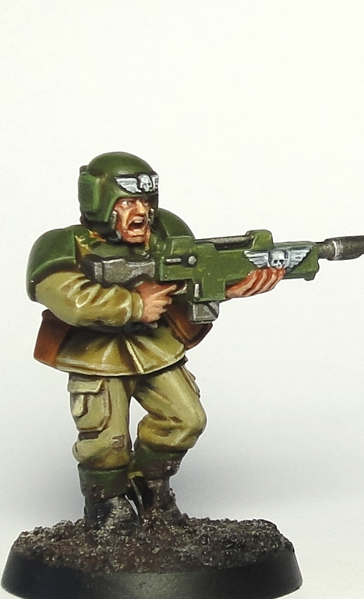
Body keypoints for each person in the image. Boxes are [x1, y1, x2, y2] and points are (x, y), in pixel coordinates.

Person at [26, 152, 282, 533]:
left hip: (155, 349)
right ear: (100, 203)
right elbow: (68, 298)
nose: (140, 212)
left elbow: (189, 281)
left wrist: (229, 286)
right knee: (106, 439)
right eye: (127, 202)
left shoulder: (167, 235)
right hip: (96, 356)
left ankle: (150, 487)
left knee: (186, 418)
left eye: (145, 201)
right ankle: (106, 504)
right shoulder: (65, 245)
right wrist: (133, 304)